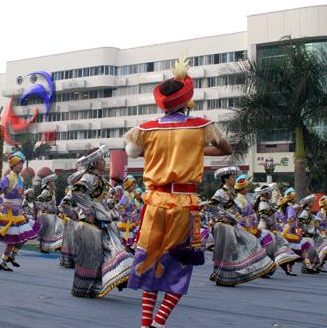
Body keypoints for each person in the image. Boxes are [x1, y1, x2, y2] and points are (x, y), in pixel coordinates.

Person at [125, 56, 233, 328]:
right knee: (180, 263)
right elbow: (225, 149)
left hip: (155, 201)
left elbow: (132, 152)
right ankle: (160, 323)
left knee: (150, 260)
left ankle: (145, 324)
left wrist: (162, 151)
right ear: (187, 99)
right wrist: (194, 149)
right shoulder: (201, 125)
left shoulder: (145, 129)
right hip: (185, 203)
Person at [68, 145, 132, 298]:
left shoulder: (99, 179)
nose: (105, 162)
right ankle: (84, 288)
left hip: (101, 222)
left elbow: (101, 199)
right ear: (95, 163)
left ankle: (98, 286)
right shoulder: (89, 177)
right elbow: (77, 192)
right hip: (90, 223)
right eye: (102, 160)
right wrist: (89, 210)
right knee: (92, 257)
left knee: (103, 255)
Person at [209, 168, 275, 286]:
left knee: (251, 242)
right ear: (226, 178)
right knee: (227, 252)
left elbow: (237, 210)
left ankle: (228, 276)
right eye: (233, 177)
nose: (235, 179)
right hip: (223, 226)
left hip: (232, 225)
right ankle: (224, 278)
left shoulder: (233, 193)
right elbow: (211, 206)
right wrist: (221, 216)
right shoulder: (220, 192)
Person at [0, 151, 41, 272]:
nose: (21, 166)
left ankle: (11, 257)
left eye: (22, 163)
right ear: (13, 165)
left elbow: (21, 196)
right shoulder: (8, 178)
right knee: (13, 239)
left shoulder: (20, 179)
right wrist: (2, 202)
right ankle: (3, 262)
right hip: (9, 212)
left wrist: (21, 209)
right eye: (19, 164)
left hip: (18, 211)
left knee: (25, 236)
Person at [35, 173, 64, 253]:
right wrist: (46, 208)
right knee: (48, 231)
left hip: (52, 214)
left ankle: (56, 245)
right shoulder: (46, 191)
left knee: (59, 227)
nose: (54, 182)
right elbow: (38, 200)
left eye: (54, 181)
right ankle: (44, 247)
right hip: (47, 215)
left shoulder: (52, 191)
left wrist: (57, 209)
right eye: (52, 181)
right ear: (48, 183)